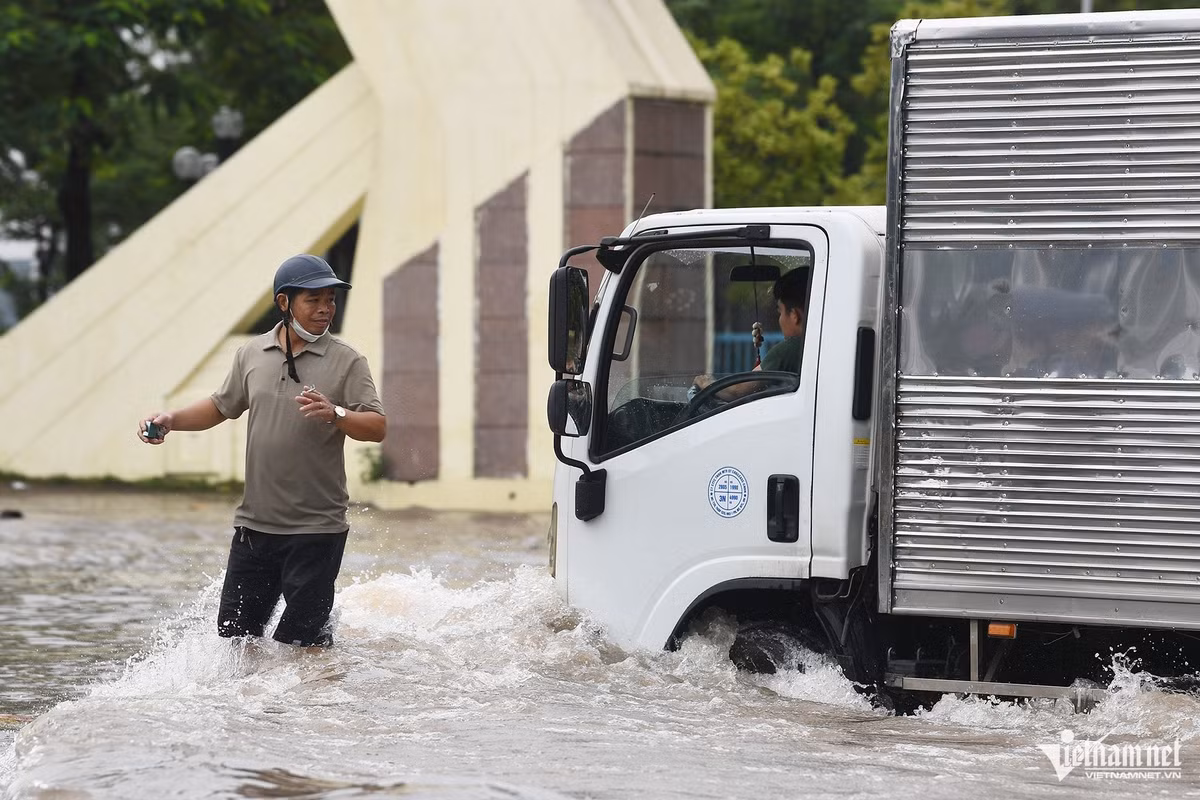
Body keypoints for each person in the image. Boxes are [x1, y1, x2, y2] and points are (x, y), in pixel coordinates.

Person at [138, 253, 387, 647]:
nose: (326, 308)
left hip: (317, 531)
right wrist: (172, 419)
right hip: (254, 528)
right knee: (236, 641)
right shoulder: (251, 354)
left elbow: (376, 426)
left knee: (302, 646)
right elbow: (221, 406)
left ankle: (321, 688)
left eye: (331, 300)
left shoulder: (348, 361)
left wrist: (336, 413)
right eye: (314, 300)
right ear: (284, 302)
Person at [693, 267, 807, 401]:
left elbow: (737, 392)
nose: (780, 319)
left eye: (780, 312)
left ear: (794, 315)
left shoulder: (792, 349)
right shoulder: (821, 345)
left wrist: (705, 383)